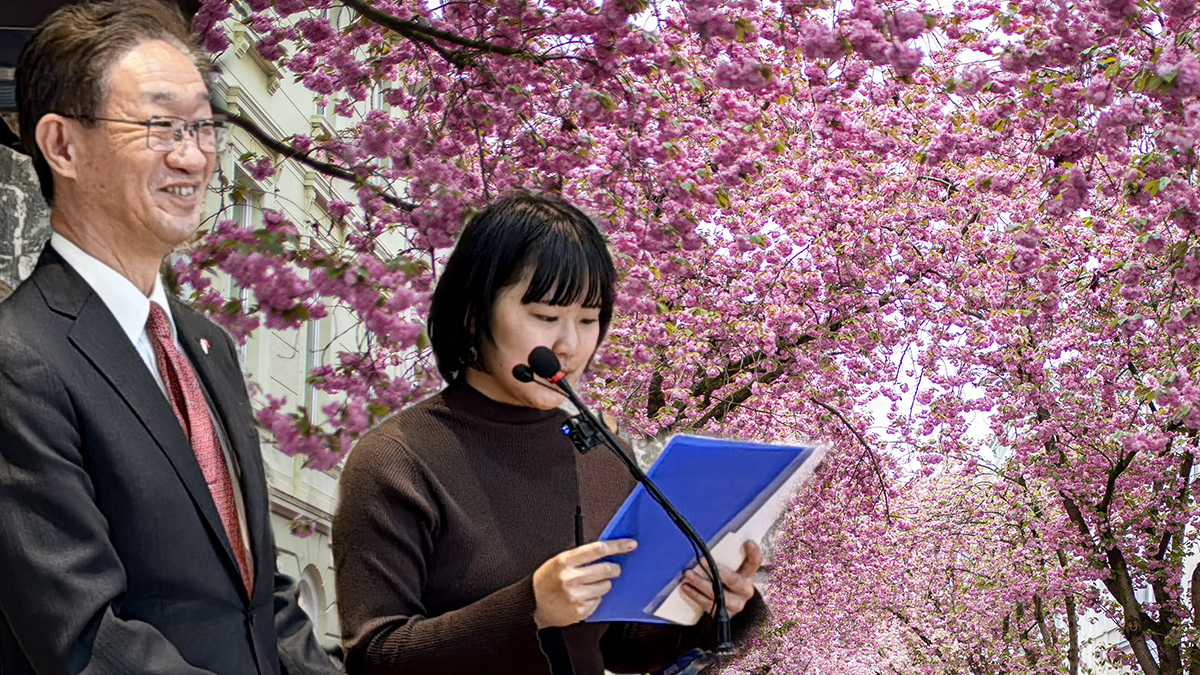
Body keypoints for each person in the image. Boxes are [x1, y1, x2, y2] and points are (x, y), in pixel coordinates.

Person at [0, 2, 342, 674]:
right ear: (62, 145)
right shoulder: (20, 358)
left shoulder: (206, 344)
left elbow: (262, 594)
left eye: (204, 126)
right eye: (160, 126)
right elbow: (87, 639)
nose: (193, 156)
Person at [333, 193, 765, 675]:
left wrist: (711, 609)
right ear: (473, 314)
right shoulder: (397, 458)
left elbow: (616, 645)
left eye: (588, 319)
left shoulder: (602, 454)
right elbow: (373, 656)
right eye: (545, 316)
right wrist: (531, 608)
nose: (570, 345)